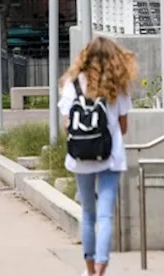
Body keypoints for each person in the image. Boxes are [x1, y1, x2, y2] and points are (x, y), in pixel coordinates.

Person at [59, 36, 136, 276]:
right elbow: (123, 127)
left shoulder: (73, 84)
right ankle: (102, 268)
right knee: (105, 215)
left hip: (81, 157)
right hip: (110, 158)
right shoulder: (117, 86)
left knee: (88, 214)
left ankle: (89, 269)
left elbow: (67, 124)